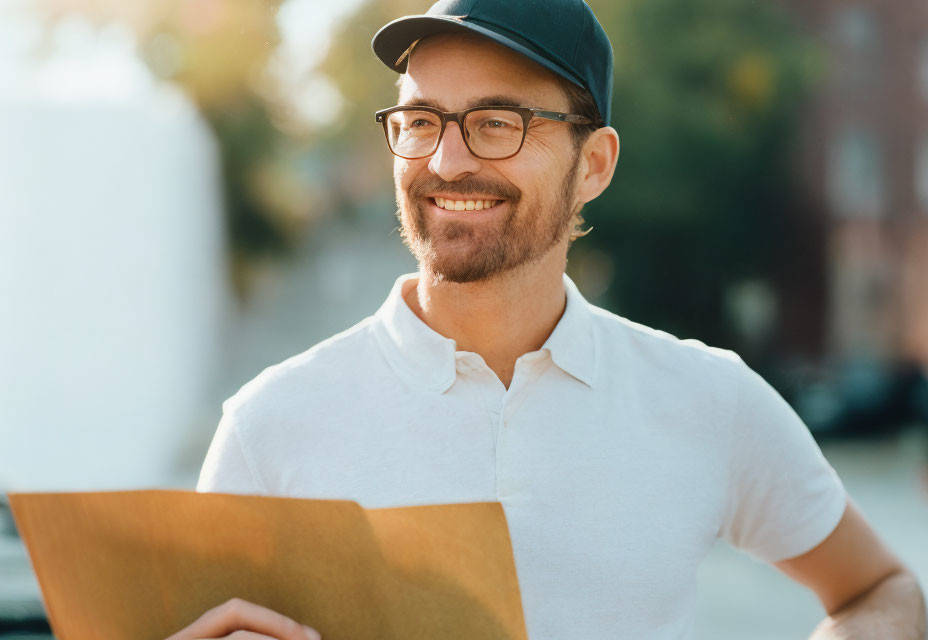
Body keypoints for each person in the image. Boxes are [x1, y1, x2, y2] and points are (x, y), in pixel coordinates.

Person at [168, 1, 927, 639]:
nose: (446, 160)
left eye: (496, 122)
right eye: (421, 119)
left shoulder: (708, 399)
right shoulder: (269, 426)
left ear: (593, 163)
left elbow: (883, 592)